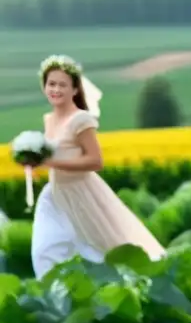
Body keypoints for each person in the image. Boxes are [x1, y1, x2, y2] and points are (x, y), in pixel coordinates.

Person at [30, 55, 165, 278]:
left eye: (62, 84)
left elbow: (95, 161)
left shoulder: (81, 120)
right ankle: (55, 295)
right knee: (45, 248)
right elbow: (53, 154)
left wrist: (51, 162)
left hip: (81, 193)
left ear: (74, 90)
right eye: (51, 84)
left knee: (97, 249)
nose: (55, 89)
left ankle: (122, 289)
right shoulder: (49, 119)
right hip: (54, 195)